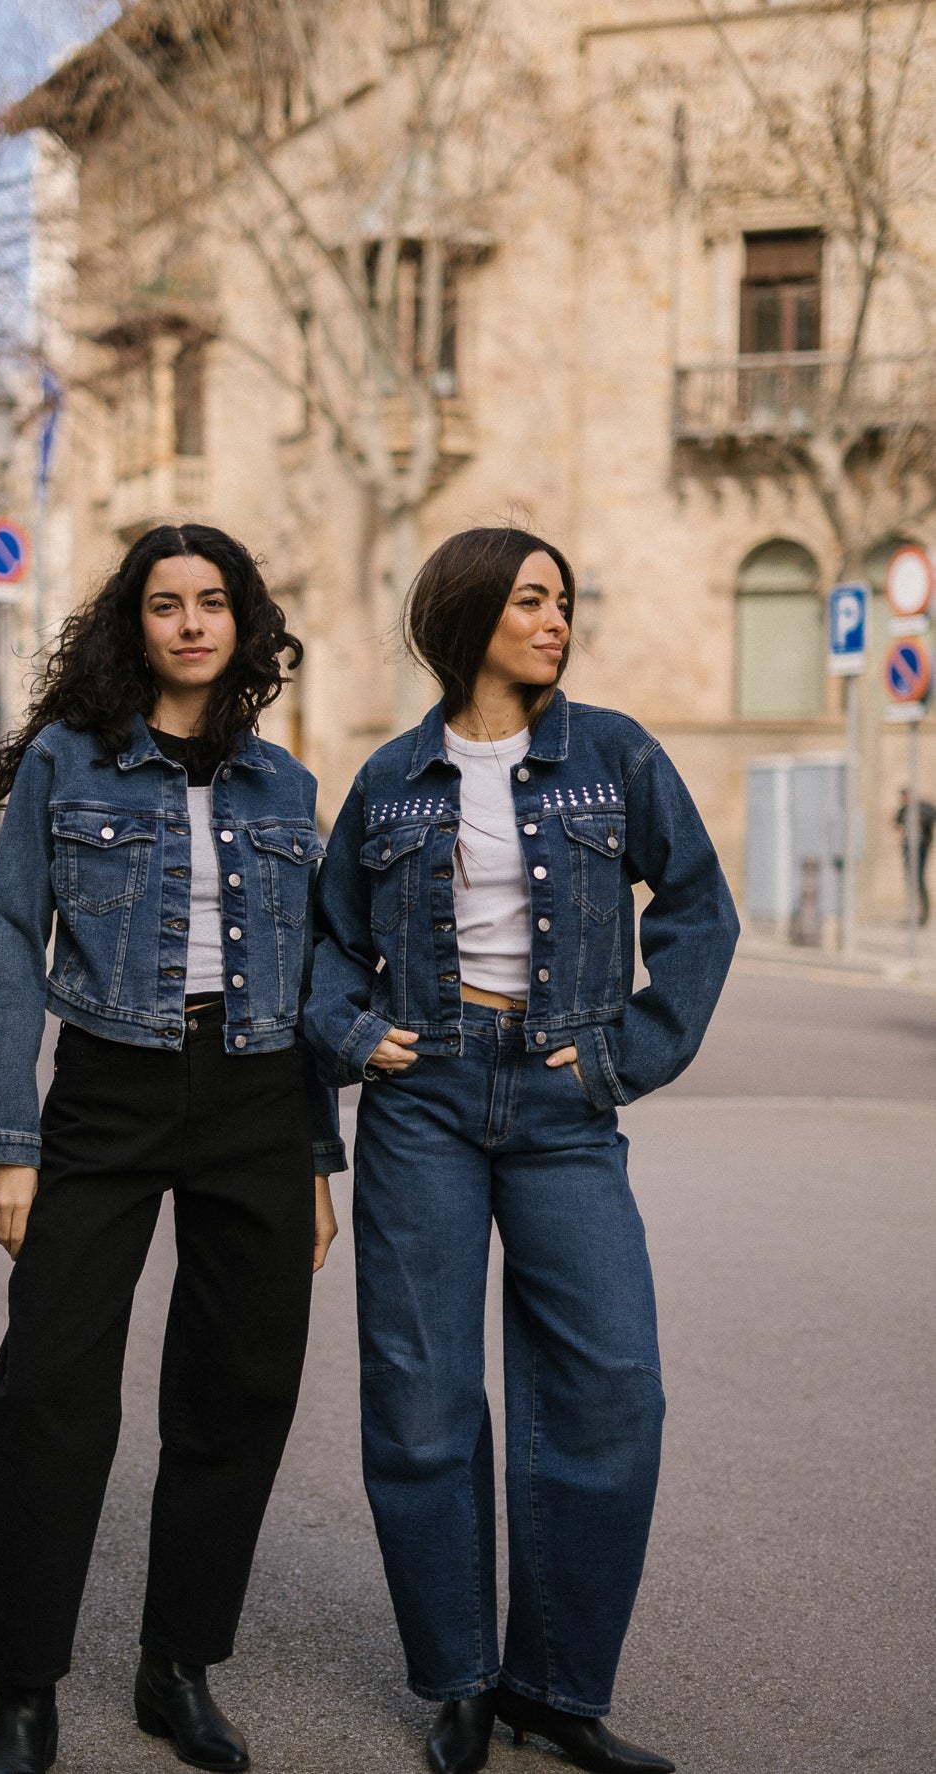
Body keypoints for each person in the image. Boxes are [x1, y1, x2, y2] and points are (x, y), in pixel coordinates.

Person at [306, 528, 739, 1774]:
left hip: (562, 1109)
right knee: (424, 1393)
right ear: (470, 615)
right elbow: (332, 939)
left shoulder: (615, 754)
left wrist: (626, 1055)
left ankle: (556, 1683)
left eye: (564, 599)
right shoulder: (391, 778)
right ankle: (459, 1681)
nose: (557, 619)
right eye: (532, 599)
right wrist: (353, 1030)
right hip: (423, 1103)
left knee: (611, 1388)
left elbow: (701, 904)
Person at [0, 522, 345, 1774]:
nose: (190, 622)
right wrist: (6, 1139)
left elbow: (302, 981)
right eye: (166, 603)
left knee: (239, 1390)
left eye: (213, 603)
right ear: (133, 623)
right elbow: (11, 943)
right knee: (46, 1390)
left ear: (244, 624)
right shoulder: (69, 765)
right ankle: (26, 1690)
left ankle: (176, 1667)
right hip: (108, 1093)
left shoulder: (285, 786)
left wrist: (311, 1156)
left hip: (252, 1098)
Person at [894, 787, 935, 926]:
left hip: (921, 848)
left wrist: (920, 818)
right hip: (908, 849)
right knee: (911, 880)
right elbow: (896, 822)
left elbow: (931, 816)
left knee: (919, 879)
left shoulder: (924, 807)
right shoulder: (903, 811)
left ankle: (923, 914)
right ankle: (914, 913)